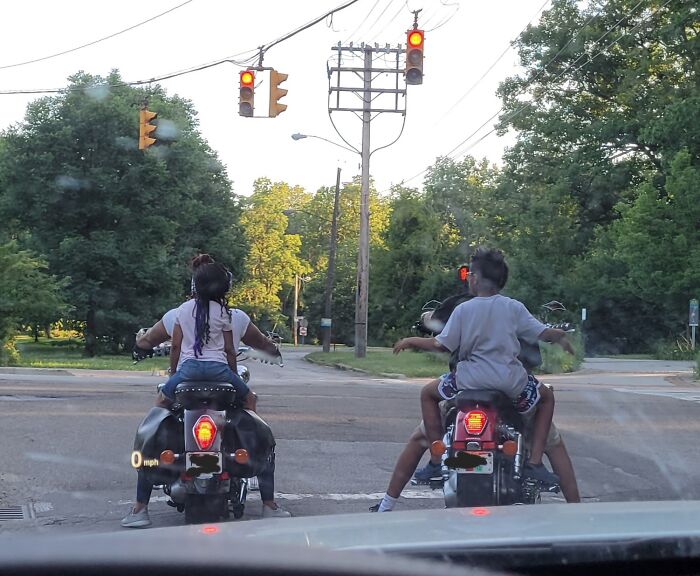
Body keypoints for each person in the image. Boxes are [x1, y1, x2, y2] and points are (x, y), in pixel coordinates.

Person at [122, 259, 290, 527]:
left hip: (186, 375)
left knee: (152, 424)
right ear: (225, 287)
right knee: (255, 418)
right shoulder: (230, 314)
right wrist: (233, 376)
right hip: (222, 376)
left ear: (194, 285)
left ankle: (139, 508)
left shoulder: (180, 311)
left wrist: (174, 374)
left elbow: (174, 346)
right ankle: (269, 503)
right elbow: (230, 350)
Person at [392, 248, 574, 492]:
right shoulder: (513, 307)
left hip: (469, 381)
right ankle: (535, 463)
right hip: (510, 382)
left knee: (427, 393)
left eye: (470, 274)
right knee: (547, 396)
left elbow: (441, 345)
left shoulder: (463, 310)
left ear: (475, 279)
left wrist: (411, 341)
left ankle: (436, 460)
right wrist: (560, 336)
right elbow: (542, 333)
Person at [370, 395, 581, 512]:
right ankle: (576, 513)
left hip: (465, 388)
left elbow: (442, 343)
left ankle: (388, 503)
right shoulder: (518, 316)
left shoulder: (460, 315)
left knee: (420, 436)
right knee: (553, 442)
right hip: (510, 390)